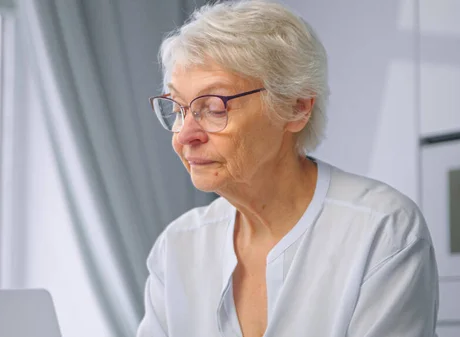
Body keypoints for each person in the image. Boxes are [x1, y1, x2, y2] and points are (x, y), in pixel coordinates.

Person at [137, 1, 439, 336]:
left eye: (213, 107)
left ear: (296, 108)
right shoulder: (177, 246)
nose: (186, 136)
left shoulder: (383, 230)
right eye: (179, 108)